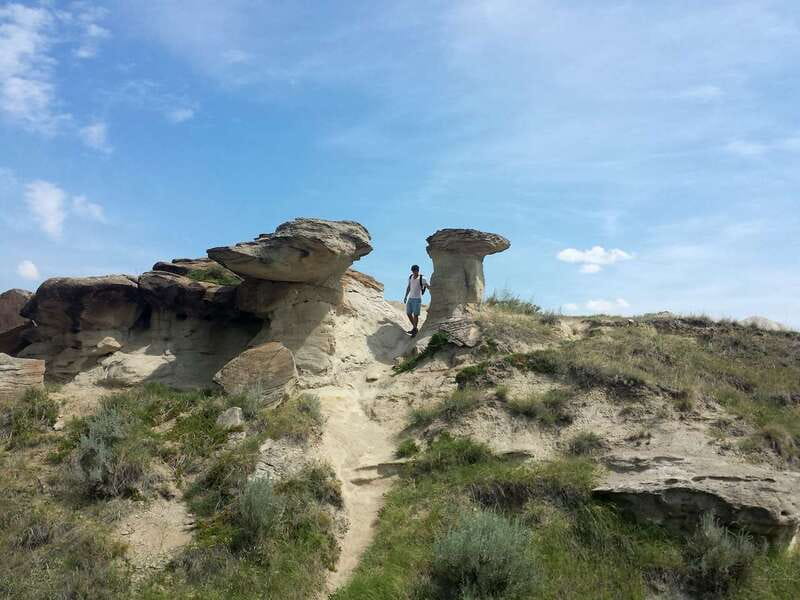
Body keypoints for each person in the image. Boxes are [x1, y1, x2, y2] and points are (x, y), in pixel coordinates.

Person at [403, 264, 427, 336]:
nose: (414, 272)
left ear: (418, 270)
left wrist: (430, 287)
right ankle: (415, 328)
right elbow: (409, 287)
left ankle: (414, 329)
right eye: (413, 271)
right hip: (410, 298)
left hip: (417, 299)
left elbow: (426, 285)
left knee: (415, 315)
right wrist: (405, 296)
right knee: (408, 313)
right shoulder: (411, 277)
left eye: (415, 271)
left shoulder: (422, 278)